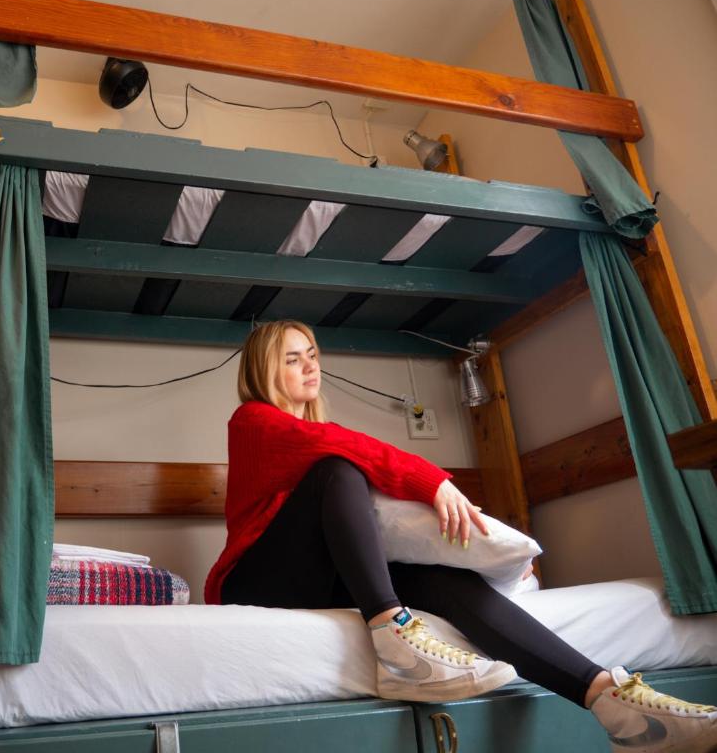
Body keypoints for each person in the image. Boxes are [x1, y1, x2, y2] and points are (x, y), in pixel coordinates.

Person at [205, 319, 717, 752]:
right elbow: (347, 448)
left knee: (442, 582)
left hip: (313, 578)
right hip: (254, 582)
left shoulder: (308, 437)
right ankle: (396, 636)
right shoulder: (252, 422)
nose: (312, 366)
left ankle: (610, 700)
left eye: (313, 354)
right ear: (265, 371)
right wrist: (436, 482)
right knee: (340, 470)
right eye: (293, 359)